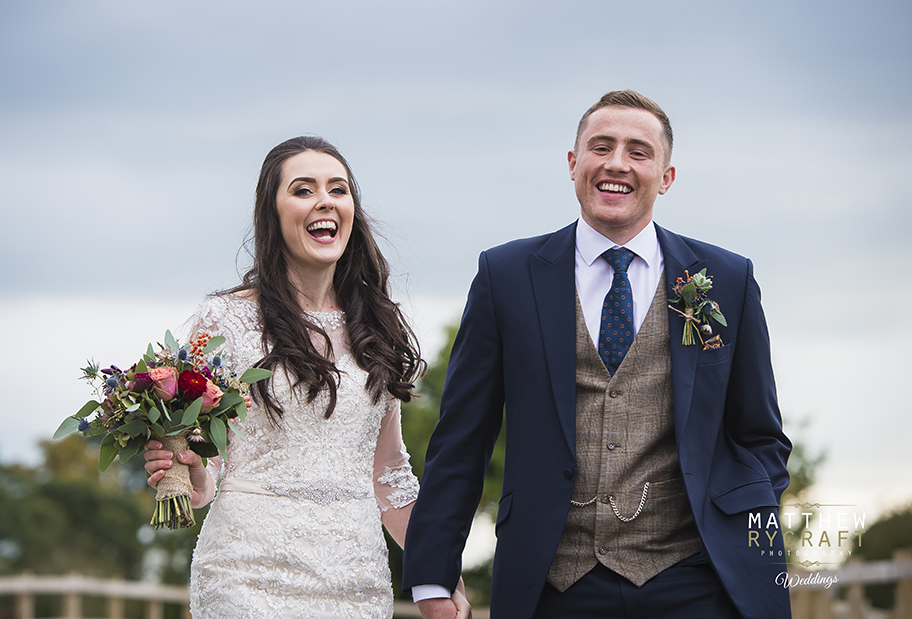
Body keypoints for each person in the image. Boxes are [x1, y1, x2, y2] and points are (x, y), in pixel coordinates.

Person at [403, 91, 792, 619]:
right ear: (573, 163)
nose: (616, 164)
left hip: (699, 581)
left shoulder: (723, 280)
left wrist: (747, 529)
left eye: (638, 151)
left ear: (667, 175)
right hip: (553, 584)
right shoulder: (508, 276)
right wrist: (431, 574)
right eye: (601, 147)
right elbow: (462, 438)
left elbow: (760, 435)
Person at [143, 136, 471, 618]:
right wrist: (190, 474)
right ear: (271, 214)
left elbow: (390, 477)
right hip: (246, 576)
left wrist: (439, 574)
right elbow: (208, 462)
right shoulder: (225, 321)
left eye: (338, 189)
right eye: (303, 190)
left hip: (355, 581)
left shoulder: (377, 328)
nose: (325, 201)